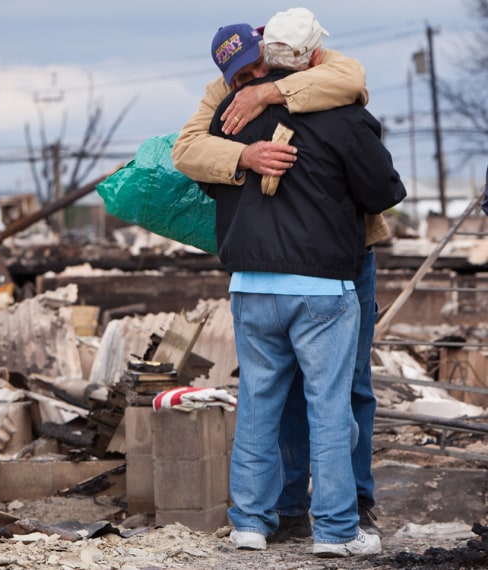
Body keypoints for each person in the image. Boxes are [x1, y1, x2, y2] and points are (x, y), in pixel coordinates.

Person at [172, 13, 386, 542]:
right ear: (227, 80)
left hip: (310, 263)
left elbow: (351, 79)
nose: (251, 84)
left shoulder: (319, 77)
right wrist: (244, 154)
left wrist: (270, 98)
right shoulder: (227, 103)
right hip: (316, 273)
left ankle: (311, 509)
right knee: (325, 397)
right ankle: (316, 518)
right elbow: (186, 151)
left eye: (257, 72)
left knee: (324, 390)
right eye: (241, 81)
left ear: (279, 53)